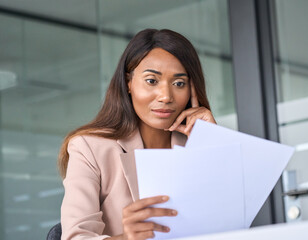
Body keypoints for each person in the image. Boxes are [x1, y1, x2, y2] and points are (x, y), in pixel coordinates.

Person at [59, 29, 216, 240]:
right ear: (128, 83)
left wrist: (213, 140)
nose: (166, 96)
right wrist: (126, 238)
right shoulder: (89, 148)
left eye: (179, 83)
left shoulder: (197, 145)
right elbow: (75, 237)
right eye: (152, 81)